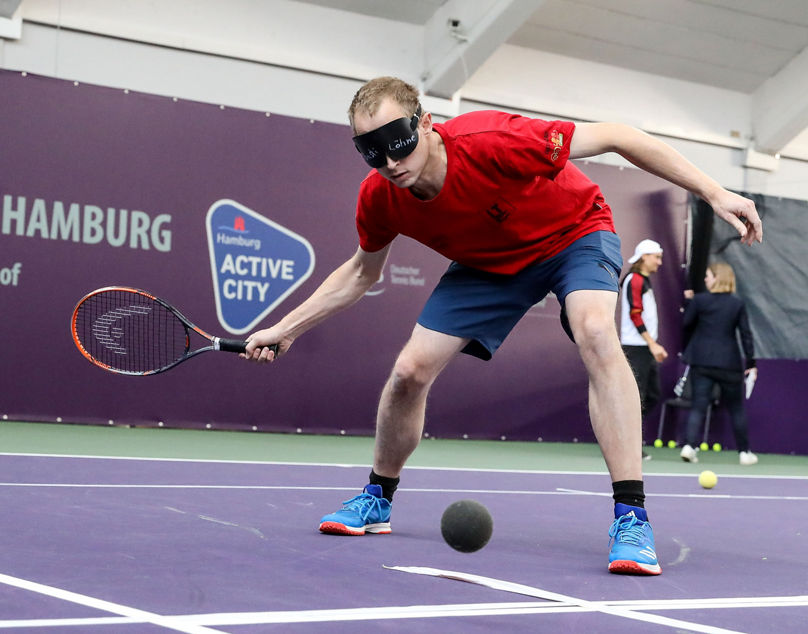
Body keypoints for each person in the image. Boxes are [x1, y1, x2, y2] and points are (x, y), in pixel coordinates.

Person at [243, 77, 762, 576]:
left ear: (425, 124)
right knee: (409, 371)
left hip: (573, 233)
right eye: (372, 151)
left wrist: (715, 193)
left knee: (596, 331)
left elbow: (618, 136)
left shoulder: (491, 140)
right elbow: (361, 271)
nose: (391, 161)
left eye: (398, 141)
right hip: (487, 265)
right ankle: (377, 498)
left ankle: (631, 516)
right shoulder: (381, 195)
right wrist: (287, 328)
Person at [679, 261, 758, 465]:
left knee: (698, 405)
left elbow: (686, 323)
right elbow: (746, 335)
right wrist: (751, 362)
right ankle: (744, 453)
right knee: (736, 408)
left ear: (717, 277)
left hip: (702, 361)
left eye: (708, 275)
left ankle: (689, 446)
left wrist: (690, 303)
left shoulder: (700, 301)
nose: (705, 279)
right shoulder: (737, 304)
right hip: (729, 363)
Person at [620, 239, 668, 460]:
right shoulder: (634, 280)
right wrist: (652, 343)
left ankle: (623, 438)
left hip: (645, 348)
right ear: (644, 257)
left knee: (652, 396)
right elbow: (635, 314)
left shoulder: (643, 281)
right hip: (635, 347)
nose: (659, 262)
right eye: (656, 257)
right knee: (635, 399)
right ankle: (629, 447)